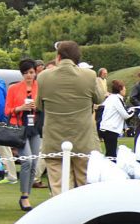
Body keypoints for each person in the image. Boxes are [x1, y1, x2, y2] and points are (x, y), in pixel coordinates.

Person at [35, 40, 101, 196]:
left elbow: (39, 105)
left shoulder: (43, 77)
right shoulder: (89, 75)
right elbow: (99, 99)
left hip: (54, 140)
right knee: (85, 187)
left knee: (60, 189)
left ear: (58, 57)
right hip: (83, 141)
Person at [5, 59, 42, 213]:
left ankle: (27, 194)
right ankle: (24, 195)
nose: (29, 75)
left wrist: (36, 106)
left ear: (35, 72)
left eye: (31, 72)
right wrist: (20, 107)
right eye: (26, 73)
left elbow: (44, 105)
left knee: (34, 162)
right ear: (22, 74)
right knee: (26, 160)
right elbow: (7, 111)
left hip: (35, 127)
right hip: (19, 127)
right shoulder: (14, 88)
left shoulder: (40, 87)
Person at [99, 79, 131, 158]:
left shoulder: (110, 98)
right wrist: (134, 111)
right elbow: (125, 115)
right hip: (111, 129)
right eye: (124, 88)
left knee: (109, 153)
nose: (125, 89)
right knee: (112, 155)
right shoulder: (117, 99)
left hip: (105, 127)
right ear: (120, 89)